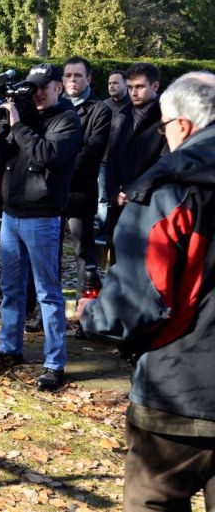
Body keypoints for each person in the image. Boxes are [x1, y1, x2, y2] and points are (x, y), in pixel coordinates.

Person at [79, 71, 215, 512]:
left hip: (181, 390)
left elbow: (139, 299)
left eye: (164, 127)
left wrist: (92, 316)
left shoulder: (168, 186)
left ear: (183, 127)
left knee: (151, 501)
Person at [0, 63, 82, 391]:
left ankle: (54, 363)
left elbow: (45, 155)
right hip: (12, 214)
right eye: (33, 88)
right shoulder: (25, 116)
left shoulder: (67, 120)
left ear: (58, 87)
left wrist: (18, 124)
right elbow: (1, 163)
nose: (37, 94)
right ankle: (9, 348)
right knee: (11, 288)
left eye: (43, 87)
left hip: (43, 216)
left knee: (48, 293)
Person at [60, 57, 111, 295]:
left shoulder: (100, 110)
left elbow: (92, 152)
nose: (72, 80)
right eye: (68, 75)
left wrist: (55, 162)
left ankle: (87, 305)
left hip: (80, 191)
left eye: (78, 75)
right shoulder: (54, 106)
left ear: (88, 79)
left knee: (83, 253)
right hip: (53, 191)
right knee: (50, 251)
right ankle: (46, 305)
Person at [105, 63, 167, 253]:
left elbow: (165, 162)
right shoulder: (121, 116)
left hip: (149, 205)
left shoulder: (166, 118)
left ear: (155, 86)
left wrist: (135, 192)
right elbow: (112, 157)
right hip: (119, 203)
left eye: (139, 87)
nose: (133, 92)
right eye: (130, 87)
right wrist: (113, 192)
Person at [96, 70, 131, 235]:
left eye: (116, 83)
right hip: (103, 161)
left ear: (126, 84)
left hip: (124, 163)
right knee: (102, 198)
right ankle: (102, 231)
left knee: (122, 198)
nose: (111, 86)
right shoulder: (103, 106)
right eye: (110, 83)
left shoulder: (134, 107)